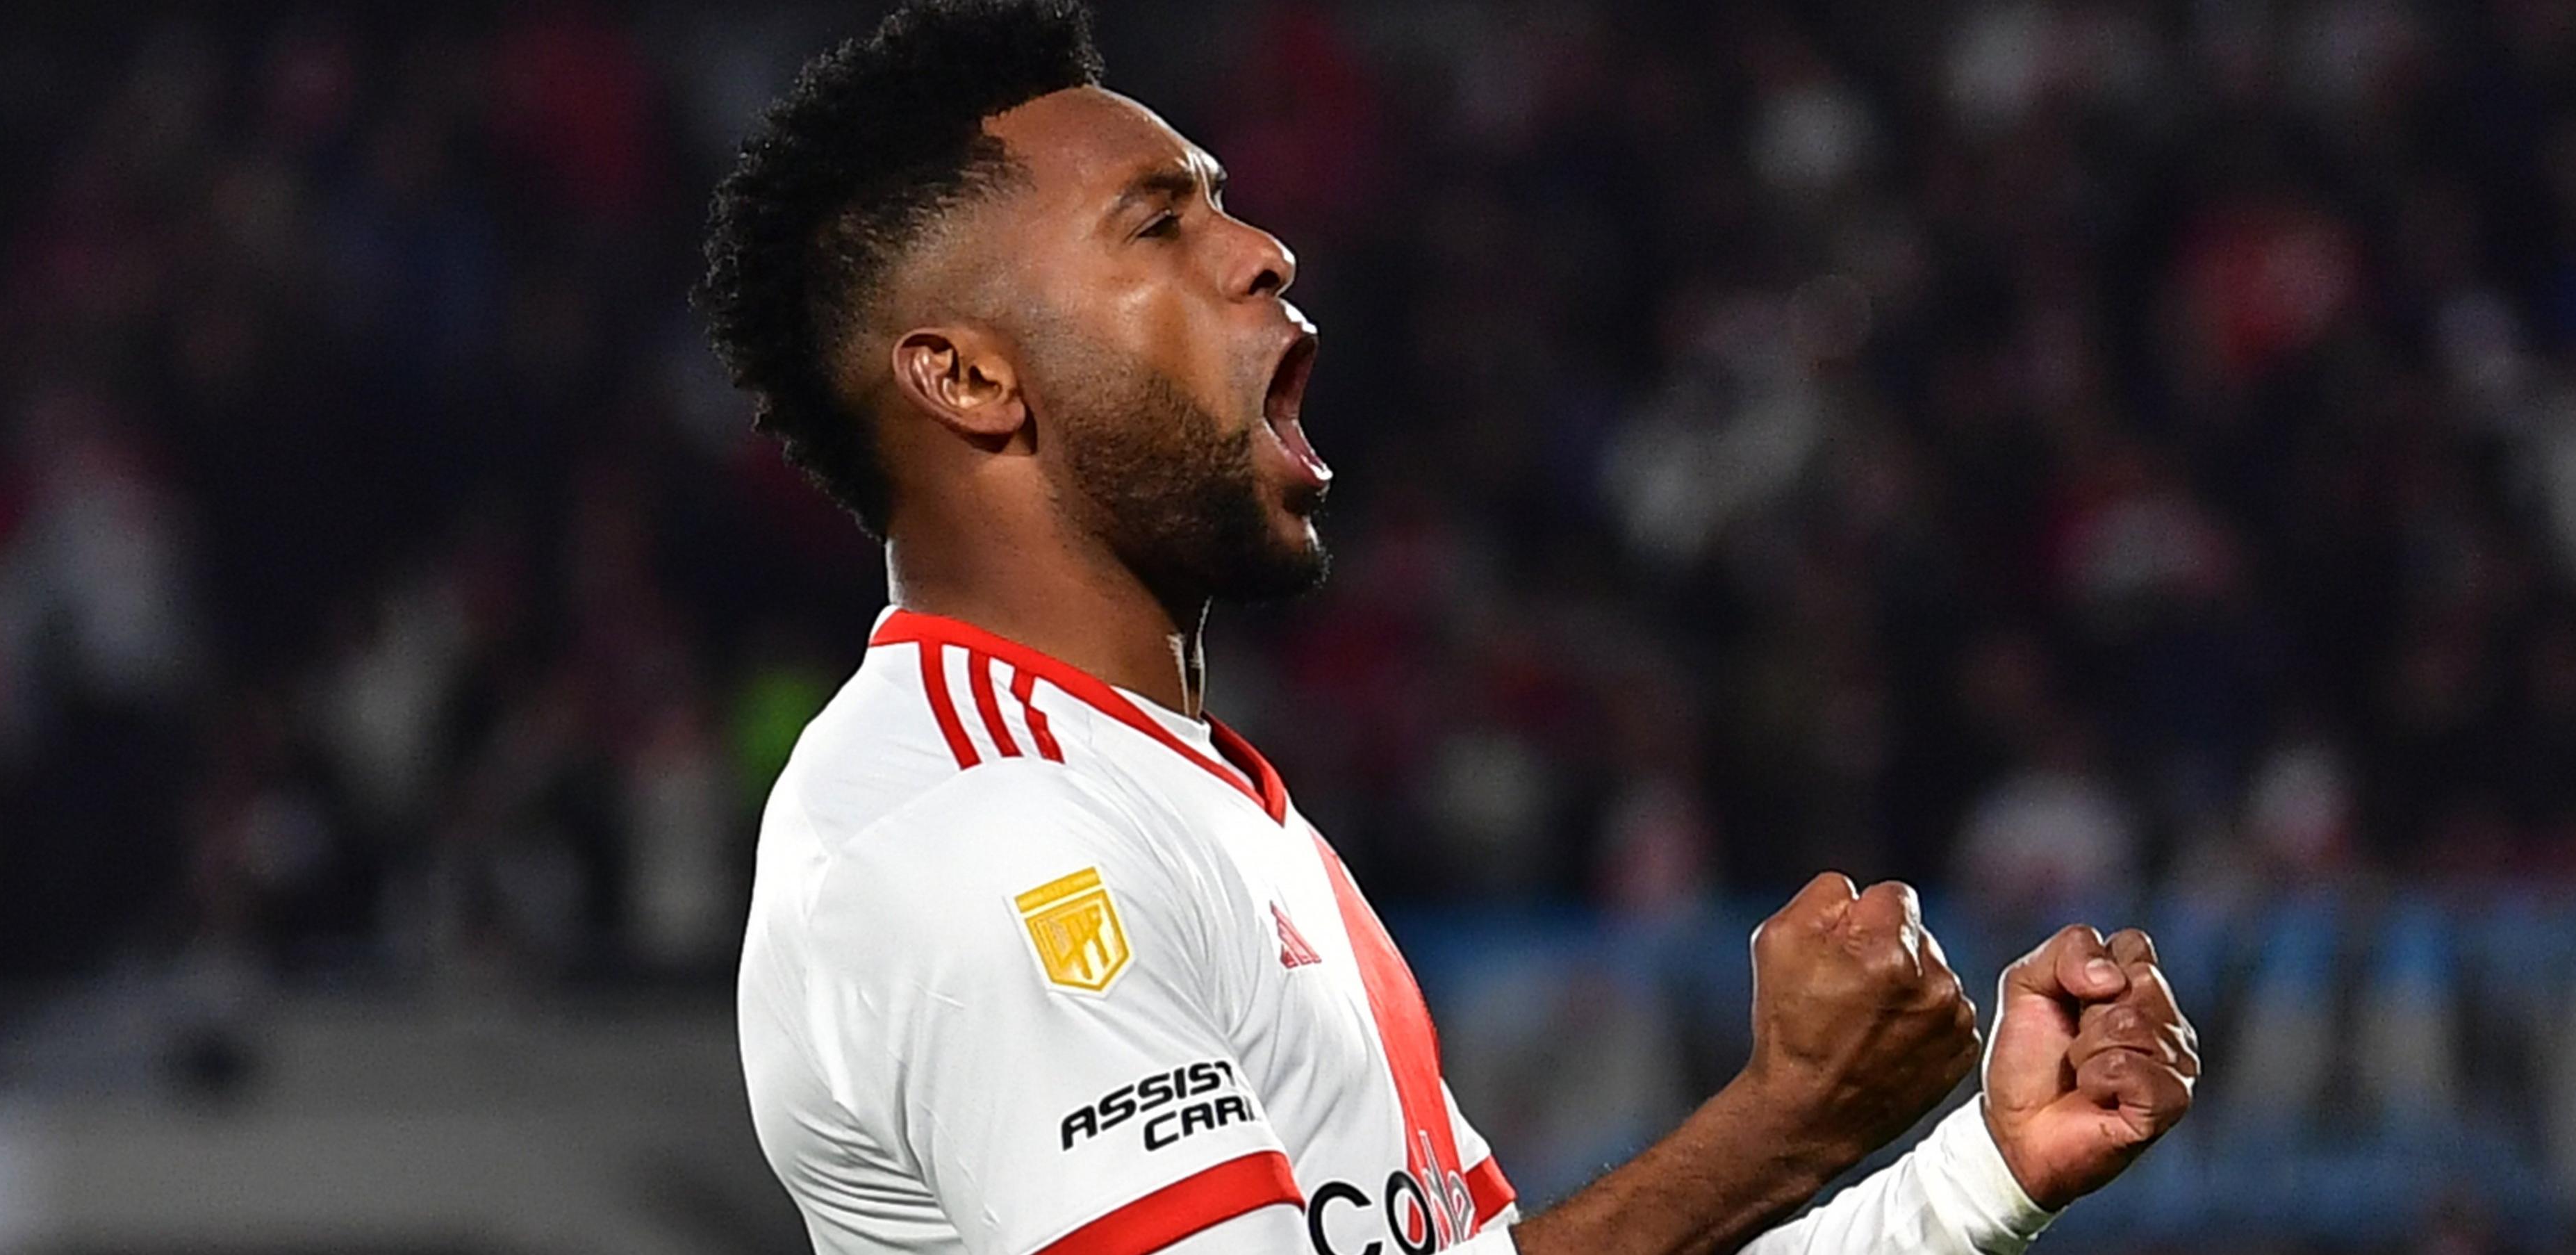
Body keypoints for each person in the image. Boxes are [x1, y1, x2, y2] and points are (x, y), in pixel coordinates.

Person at [698, 3, 2199, 1252]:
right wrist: (1779, 1125)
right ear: (965, 379)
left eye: (1224, 200)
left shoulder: (1182, 796)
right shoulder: (984, 833)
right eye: (1159, 223)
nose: (1262, 249)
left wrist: (1974, 1176)